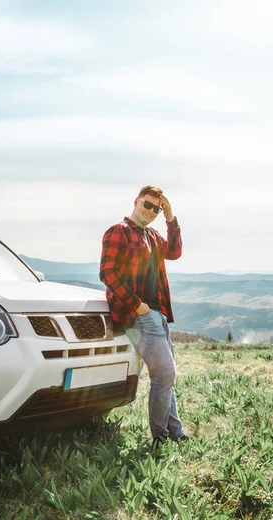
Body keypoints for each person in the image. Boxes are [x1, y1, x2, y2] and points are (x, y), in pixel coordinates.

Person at [99, 185, 188, 448]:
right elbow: (107, 273)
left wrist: (171, 218)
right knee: (165, 373)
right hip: (138, 316)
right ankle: (161, 437)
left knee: (165, 374)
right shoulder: (119, 232)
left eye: (156, 209)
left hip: (157, 315)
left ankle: (176, 432)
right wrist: (137, 305)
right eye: (146, 205)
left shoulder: (153, 236)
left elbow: (175, 251)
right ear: (136, 202)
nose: (151, 211)